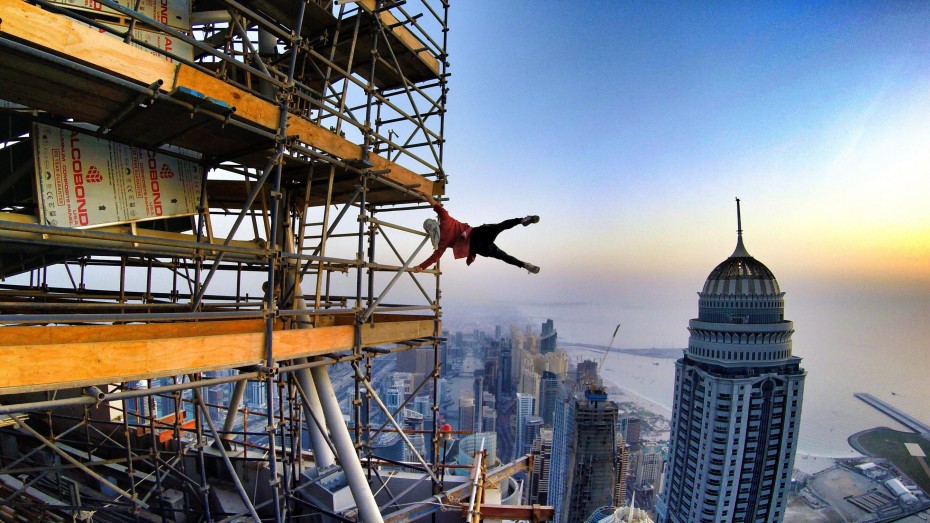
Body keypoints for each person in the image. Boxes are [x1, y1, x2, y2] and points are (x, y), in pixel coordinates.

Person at [413, 193, 540, 274]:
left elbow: (435, 257)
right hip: (477, 234)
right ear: (435, 223)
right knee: (501, 226)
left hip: (477, 248)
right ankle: (523, 220)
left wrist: (421, 267)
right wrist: (426, 195)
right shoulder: (445, 219)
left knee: (503, 256)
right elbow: (436, 206)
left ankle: (525, 265)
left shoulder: (441, 242)